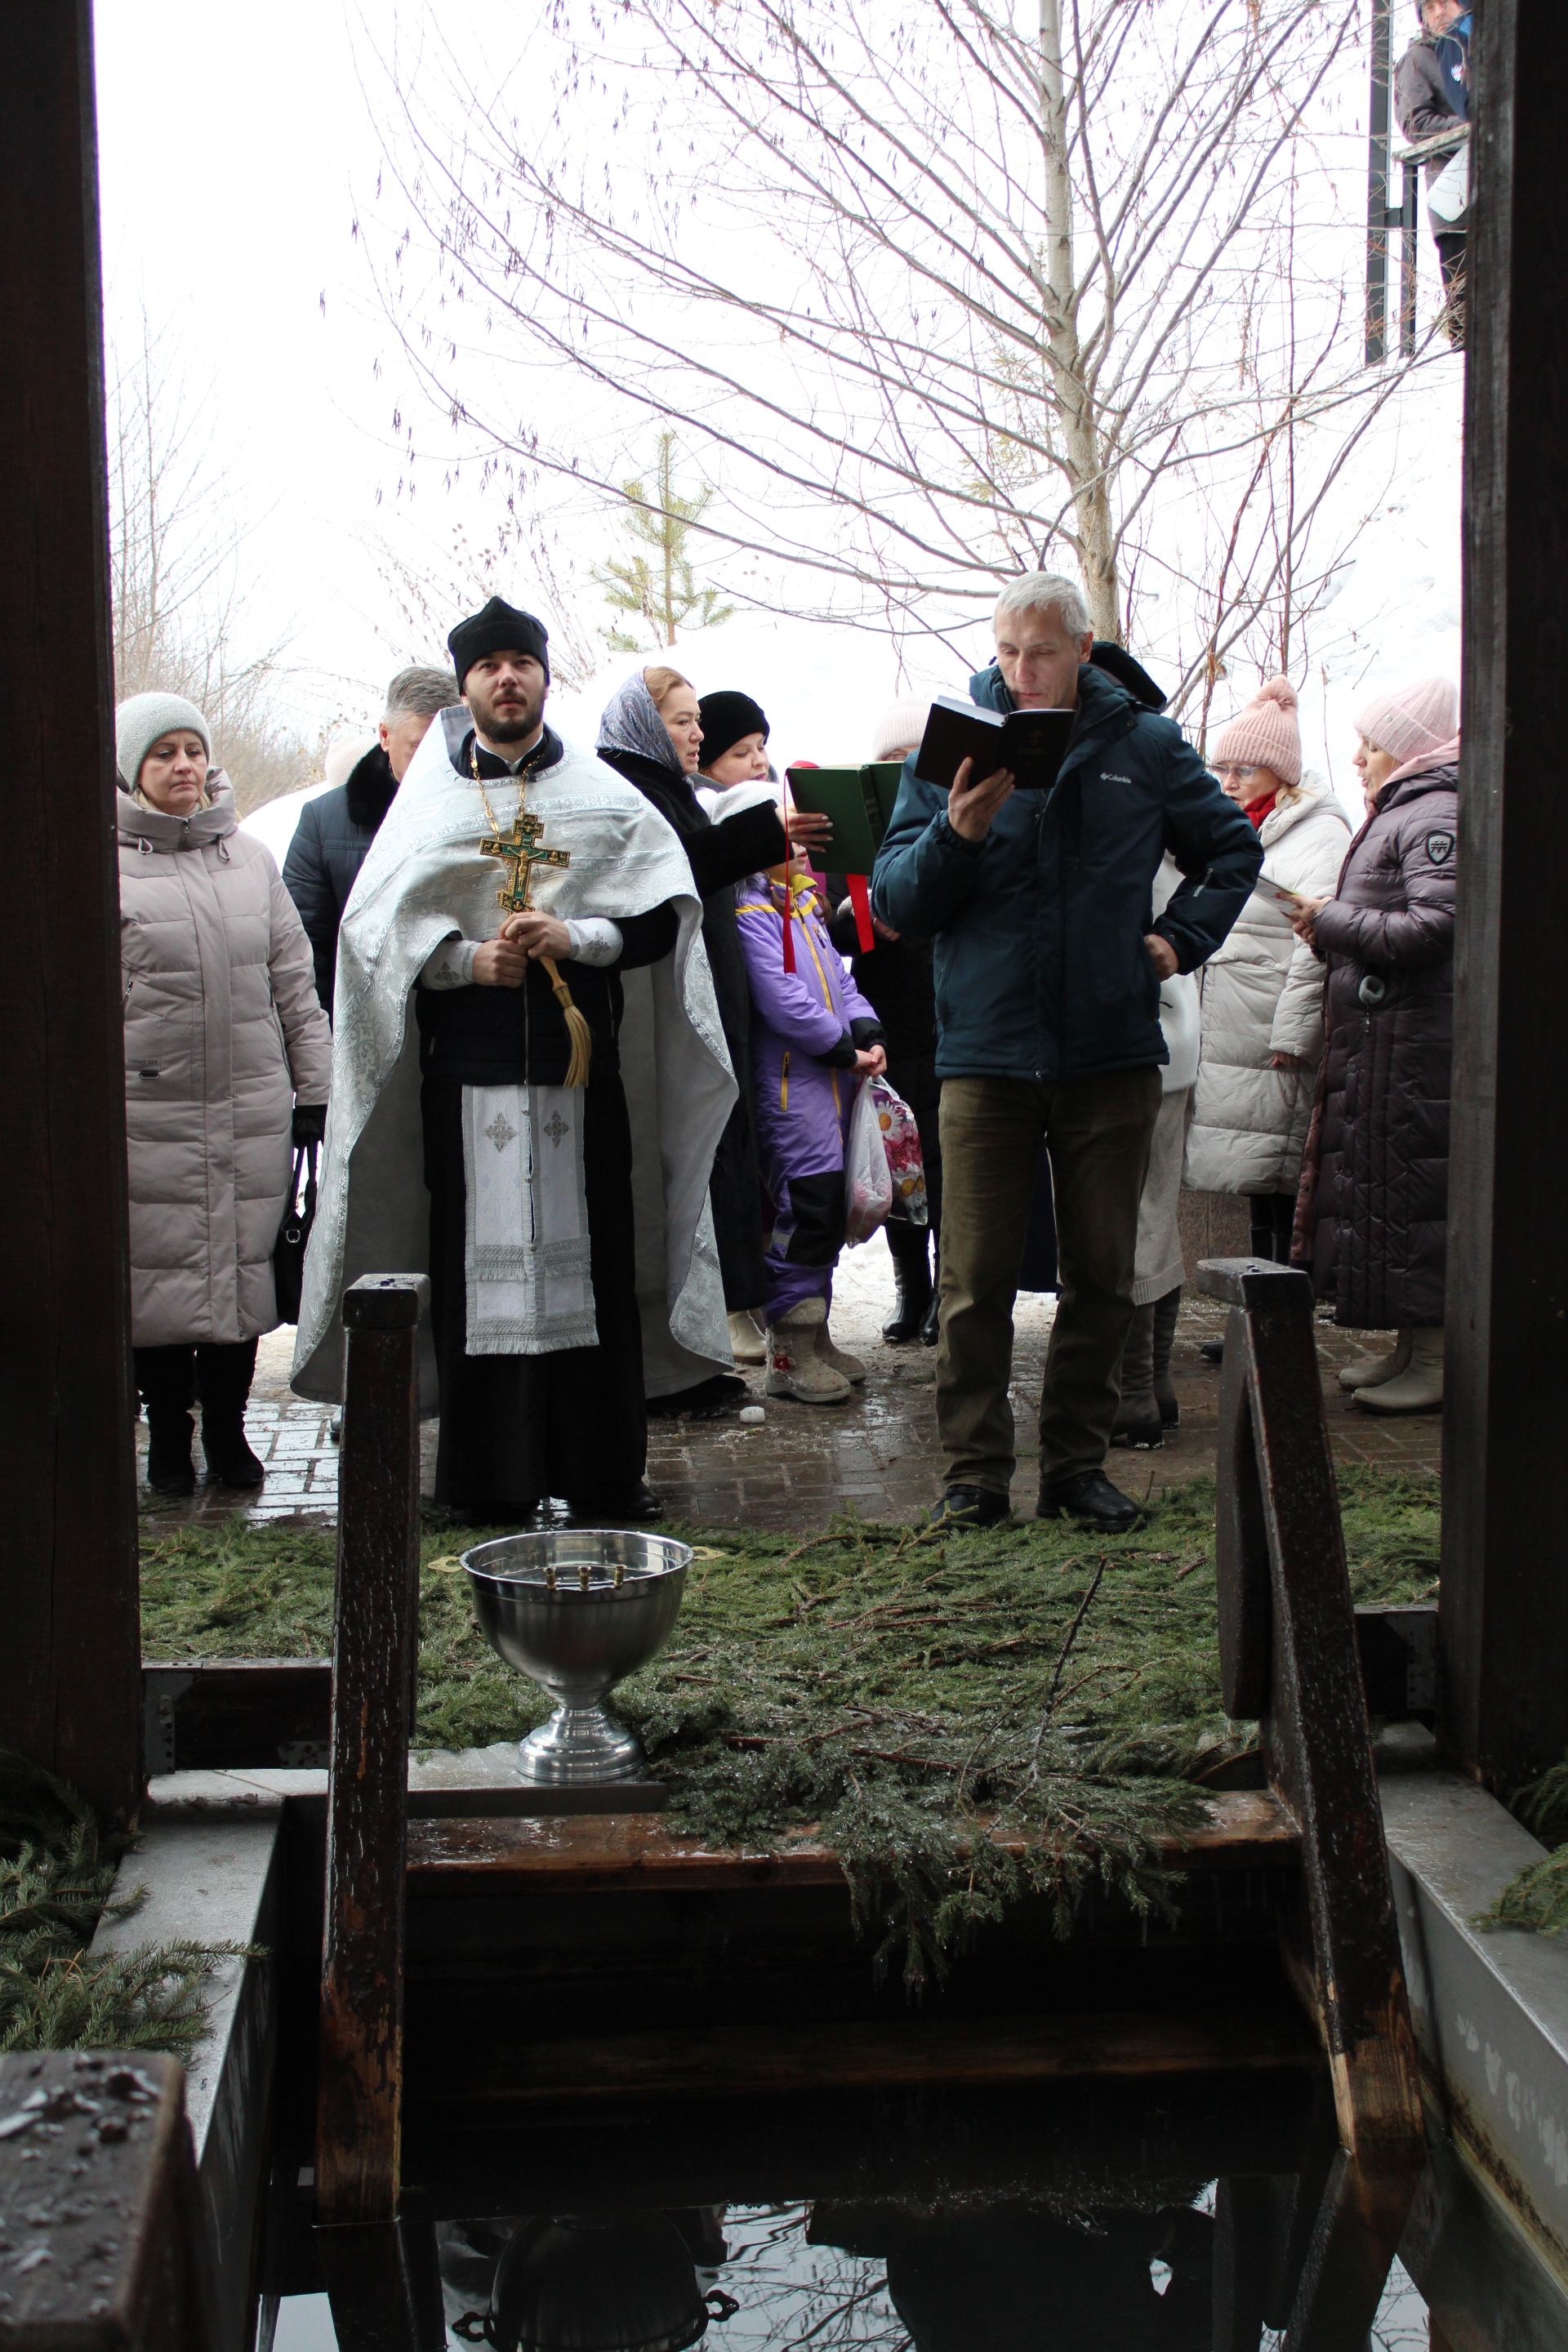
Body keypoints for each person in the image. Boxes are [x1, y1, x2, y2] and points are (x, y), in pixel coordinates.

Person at [292, 597, 735, 1522]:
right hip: (469, 1077)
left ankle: (604, 1476)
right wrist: (465, 961)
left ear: (541, 676)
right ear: (466, 686)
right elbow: (373, 935)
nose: (506, 677)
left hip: (585, 1076)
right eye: (488, 665)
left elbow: (665, 916)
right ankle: (483, 1482)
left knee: (596, 1271)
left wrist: (577, 936)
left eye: (521, 663)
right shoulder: (432, 804)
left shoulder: (601, 794)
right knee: (474, 1281)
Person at [872, 573, 1261, 1531]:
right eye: (1006, 651)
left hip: (1108, 1050)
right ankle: (974, 1475)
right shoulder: (955, 744)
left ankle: (1076, 1468)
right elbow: (894, 903)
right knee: (974, 1280)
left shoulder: (1145, 743)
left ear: (1083, 650)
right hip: (986, 1054)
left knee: (1102, 1272)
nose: (1021, 670)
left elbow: (1231, 853)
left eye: (1040, 651)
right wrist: (956, 835)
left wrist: (1178, 941)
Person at [117, 693, 332, 1494]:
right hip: (148, 1115)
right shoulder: (103, 860)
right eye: (163, 753)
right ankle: (169, 1439)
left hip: (249, 1107)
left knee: (241, 1279)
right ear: (133, 769)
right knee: (160, 1286)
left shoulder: (249, 859)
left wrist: (315, 1090)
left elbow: (293, 986)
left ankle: (232, 1434)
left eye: (192, 750)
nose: (183, 766)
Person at [595, 670, 790, 1405]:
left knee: (719, 1166)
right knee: (680, 1177)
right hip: (660, 1021)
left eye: (698, 723)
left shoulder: (672, 790)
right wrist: (768, 834)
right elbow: (666, 876)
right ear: (645, 727)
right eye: (682, 722)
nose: (697, 735)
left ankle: (701, 1346)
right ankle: (674, 1358)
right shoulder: (624, 792)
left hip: (709, 1003)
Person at [1290, 675, 1458, 1416]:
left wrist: (1330, 922)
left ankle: (1441, 1356)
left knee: (1420, 1199)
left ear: (1414, 746)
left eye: (1373, 743)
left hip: (1418, 1045)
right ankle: (1410, 1346)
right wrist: (1330, 928)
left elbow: (1434, 929)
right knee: (1395, 1196)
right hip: (1391, 1041)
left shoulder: (1433, 812)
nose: (1358, 758)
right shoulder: (1410, 810)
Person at [1184, 677, 1352, 1296]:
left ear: (1279, 773)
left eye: (1243, 769)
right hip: (1233, 1026)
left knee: (1281, 1176)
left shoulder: (1318, 833)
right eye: (1220, 766)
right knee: (1255, 1178)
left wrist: (1296, 1034)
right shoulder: (1232, 827)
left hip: (1272, 1032)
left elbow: (1314, 944)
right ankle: (1257, 1310)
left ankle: (1281, 1312)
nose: (1227, 781)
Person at [736, 856, 887, 1401]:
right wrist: (842, 1047)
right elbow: (781, 997)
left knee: (827, 1212)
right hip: (791, 1087)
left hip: (833, 1082)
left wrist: (868, 1032)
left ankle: (814, 1334)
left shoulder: (801, 906)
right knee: (807, 1208)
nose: (803, 851)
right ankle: (788, 1349)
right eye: (789, 839)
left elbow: (840, 983)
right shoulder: (751, 911)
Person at [829, 697, 946, 1347]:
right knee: (903, 1163)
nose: (904, 771)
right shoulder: (864, 834)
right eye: (891, 761)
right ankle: (912, 1289)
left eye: (914, 760)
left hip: (945, 1015)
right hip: (885, 1021)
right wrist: (860, 914)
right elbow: (833, 929)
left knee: (948, 1165)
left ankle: (946, 1295)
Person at [283, 666, 457, 1018]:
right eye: (419, 749)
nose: (435, 763)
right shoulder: (323, 822)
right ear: (385, 736)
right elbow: (302, 949)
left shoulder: (486, 808)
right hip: (362, 1022)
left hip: (462, 1036)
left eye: (446, 747)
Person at [1111, 856, 1200, 1449]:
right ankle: (1155, 1383)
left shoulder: (1132, 844)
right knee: (1154, 1212)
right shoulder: (1170, 852)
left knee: (1129, 1218)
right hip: (1174, 1041)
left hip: (1133, 1046)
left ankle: (1136, 1389)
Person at [1396, 0, 1472, 346]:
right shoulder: (1419, 59)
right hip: (1455, 198)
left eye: (1445, 2)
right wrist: (1470, 126)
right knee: (1466, 305)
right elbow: (1416, 122)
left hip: (1500, 190)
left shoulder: (1482, 45)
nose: (1438, 13)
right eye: (1429, 7)